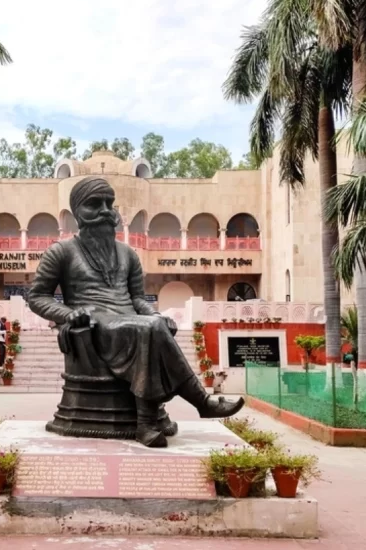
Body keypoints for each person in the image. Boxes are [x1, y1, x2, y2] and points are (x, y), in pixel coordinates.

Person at [27, 177, 244, 447]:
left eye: (110, 204)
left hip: (129, 319)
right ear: (76, 213)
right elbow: (37, 296)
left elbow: (138, 299)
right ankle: (197, 404)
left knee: (154, 324)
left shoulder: (128, 253)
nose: (106, 211)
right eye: (94, 204)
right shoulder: (61, 252)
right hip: (95, 322)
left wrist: (154, 314)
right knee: (150, 328)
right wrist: (66, 314)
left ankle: (149, 422)